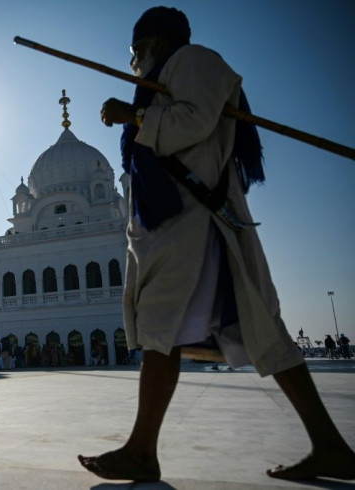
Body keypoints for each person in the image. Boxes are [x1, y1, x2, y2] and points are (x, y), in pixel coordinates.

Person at [78, 6, 355, 482]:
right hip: (175, 224)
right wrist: (142, 113)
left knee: (174, 328)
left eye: (138, 52)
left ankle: (142, 450)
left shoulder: (196, 61)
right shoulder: (171, 72)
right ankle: (329, 444)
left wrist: (134, 115)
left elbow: (195, 121)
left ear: (158, 43)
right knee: (218, 330)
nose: (135, 63)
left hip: (195, 223)